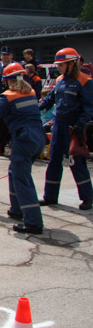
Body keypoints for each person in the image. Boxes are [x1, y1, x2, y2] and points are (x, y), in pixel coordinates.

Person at [0, 63, 46, 233]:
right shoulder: (30, 92)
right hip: (38, 138)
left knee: (22, 178)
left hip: (23, 139)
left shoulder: (7, 96)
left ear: (7, 81)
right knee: (15, 172)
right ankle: (17, 209)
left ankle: (33, 222)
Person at [38, 47, 93, 210]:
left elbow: (89, 107)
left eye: (61, 65)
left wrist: (80, 124)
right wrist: (36, 108)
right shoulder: (60, 79)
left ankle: (88, 197)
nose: (58, 67)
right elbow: (50, 98)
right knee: (54, 160)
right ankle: (50, 196)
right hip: (59, 125)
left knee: (77, 162)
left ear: (71, 64)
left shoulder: (85, 81)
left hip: (73, 127)